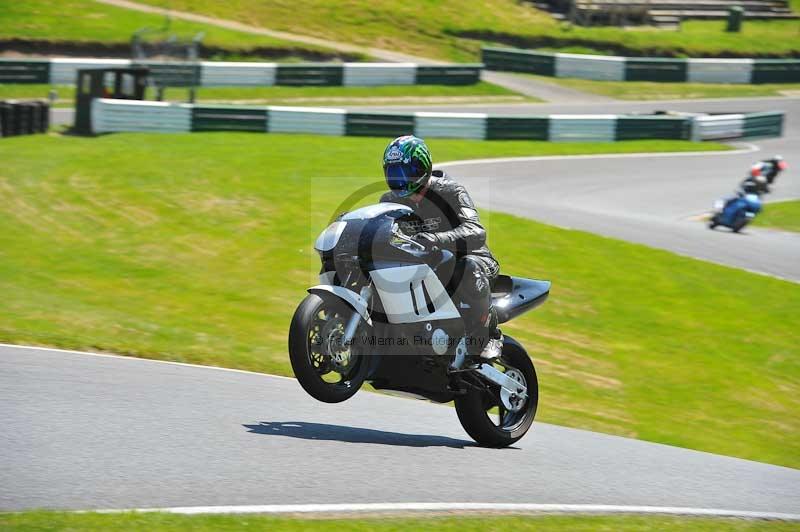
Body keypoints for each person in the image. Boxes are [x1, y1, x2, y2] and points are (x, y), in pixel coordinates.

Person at [379, 135, 502, 361]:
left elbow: (476, 231)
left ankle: (489, 334)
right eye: (394, 174)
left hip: (474, 259)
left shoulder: (451, 191)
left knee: (467, 266)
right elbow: (380, 233)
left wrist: (437, 239)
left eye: (407, 172)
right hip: (427, 266)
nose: (401, 180)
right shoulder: (389, 200)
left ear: (424, 168)